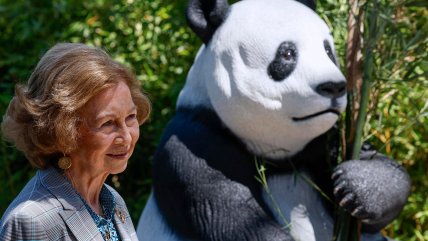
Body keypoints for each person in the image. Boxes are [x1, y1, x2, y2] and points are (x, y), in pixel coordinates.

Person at [0, 43, 151, 241]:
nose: (127, 137)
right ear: (62, 130)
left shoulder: (112, 202)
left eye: (130, 117)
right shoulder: (30, 221)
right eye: (107, 123)